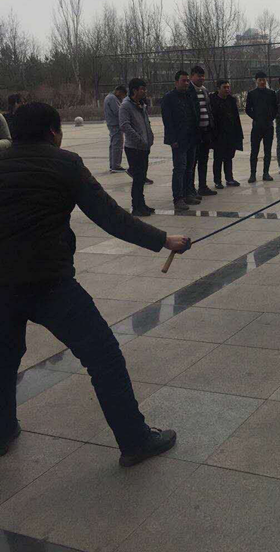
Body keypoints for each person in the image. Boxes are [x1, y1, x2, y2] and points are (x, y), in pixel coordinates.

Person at [0, 102, 191, 466]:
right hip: (49, 285)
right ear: (54, 132)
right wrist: (164, 240)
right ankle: (135, 441)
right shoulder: (65, 163)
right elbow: (111, 217)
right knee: (104, 358)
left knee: (3, 359)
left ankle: (2, 431)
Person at [161, 70, 201, 212]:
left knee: (189, 168)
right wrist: (172, 140)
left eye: (187, 81)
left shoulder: (189, 96)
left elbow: (195, 115)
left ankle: (187, 193)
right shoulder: (169, 98)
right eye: (183, 80)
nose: (186, 83)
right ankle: (178, 198)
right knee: (179, 169)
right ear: (176, 82)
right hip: (179, 140)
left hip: (191, 138)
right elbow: (167, 121)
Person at [119, 78, 155, 217]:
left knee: (142, 177)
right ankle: (136, 206)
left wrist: (149, 137)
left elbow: (146, 122)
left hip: (144, 146)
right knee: (138, 178)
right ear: (134, 90)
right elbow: (125, 126)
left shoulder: (141, 104)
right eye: (142, 89)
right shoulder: (125, 106)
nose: (144, 91)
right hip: (134, 148)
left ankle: (142, 203)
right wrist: (139, 140)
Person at [188, 66, 217, 197]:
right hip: (195, 132)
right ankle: (190, 188)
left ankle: (203, 186)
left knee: (204, 160)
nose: (202, 78)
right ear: (192, 76)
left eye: (203, 76)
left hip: (206, 131)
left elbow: (208, 108)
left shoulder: (204, 90)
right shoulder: (188, 91)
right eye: (199, 76)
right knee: (192, 162)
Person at [210, 79, 243, 188]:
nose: (227, 89)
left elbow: (236, 118)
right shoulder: (213, 100)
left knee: (229, 158)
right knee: (218, 158)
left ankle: (229, 178)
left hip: (230, 134)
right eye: (224, 87)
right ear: (218, 88)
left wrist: (238, 134)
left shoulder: (231, 100)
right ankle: (217, 181)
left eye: (228, 87)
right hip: (218, 134)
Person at [245, 71, 278, 183]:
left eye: (264, 80)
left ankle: (266, 173)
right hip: (257, 126)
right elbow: (248, 109)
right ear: (256, 81)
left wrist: (271, 118)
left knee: (267, 151)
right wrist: (256, 117)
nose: (262, 82)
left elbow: (275, 108)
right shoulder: (252, 94)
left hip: (268, 126)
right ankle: (252, 174)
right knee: (254, 151)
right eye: (260, 80)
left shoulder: (271, 93)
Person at [104, 86, 127, 172]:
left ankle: (113, 164)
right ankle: (116, 165)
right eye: (122, 95)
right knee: (117, 145)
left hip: (112, 124)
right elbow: (118, 112)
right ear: (118, 91)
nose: (122, 97)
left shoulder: (109, 97)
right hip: (115, 124)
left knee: (114, 145)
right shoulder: (112, 98)